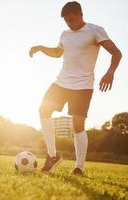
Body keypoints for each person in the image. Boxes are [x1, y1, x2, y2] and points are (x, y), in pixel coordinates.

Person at [29, 1, 122, 175]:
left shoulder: (95, 30)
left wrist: (110, 72)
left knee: (77, 125)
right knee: (44, 109)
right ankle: (52, 155)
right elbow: (58, 53)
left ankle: (79, 167)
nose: (69, 24)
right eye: (66, 21)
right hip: (62, 82)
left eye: (72, 20)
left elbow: (117, 53)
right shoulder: (65, 34)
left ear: (80, 15)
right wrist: (41, 48)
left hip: (83, 85)